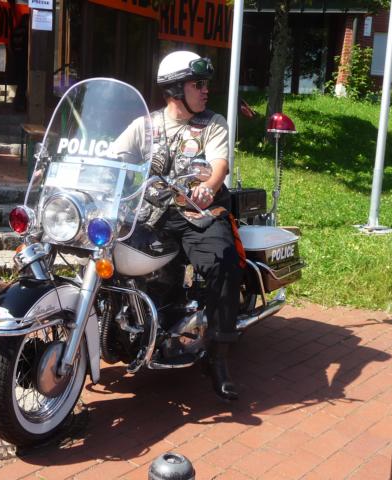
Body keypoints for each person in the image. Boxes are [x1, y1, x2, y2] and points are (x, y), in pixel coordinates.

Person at [147, 51, 242, 401]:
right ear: (175, 88)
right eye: (198, 84)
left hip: (199, 213)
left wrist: (209, 187)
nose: (205, 90)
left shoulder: (212, 123)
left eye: (206, 84)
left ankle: (217, 355)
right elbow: (112, 155)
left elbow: (220, 165)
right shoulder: (147, 125)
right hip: (154, 214)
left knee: (223, 263)